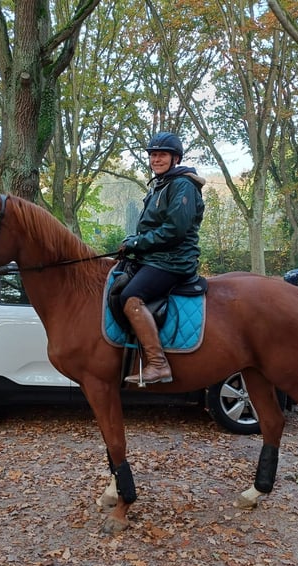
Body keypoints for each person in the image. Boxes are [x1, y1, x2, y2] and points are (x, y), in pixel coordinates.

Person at [118, 132, 205, 385]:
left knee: (130, 296)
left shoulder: (182, 185)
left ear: (175, 158)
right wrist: (133, 243)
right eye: (153, 155)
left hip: (173, 260)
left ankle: (158, 364)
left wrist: (136, 243)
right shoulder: (161, 184)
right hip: (156, 257)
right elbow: (152, 228)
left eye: (162, 155)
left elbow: (174, 230)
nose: (156, 159)